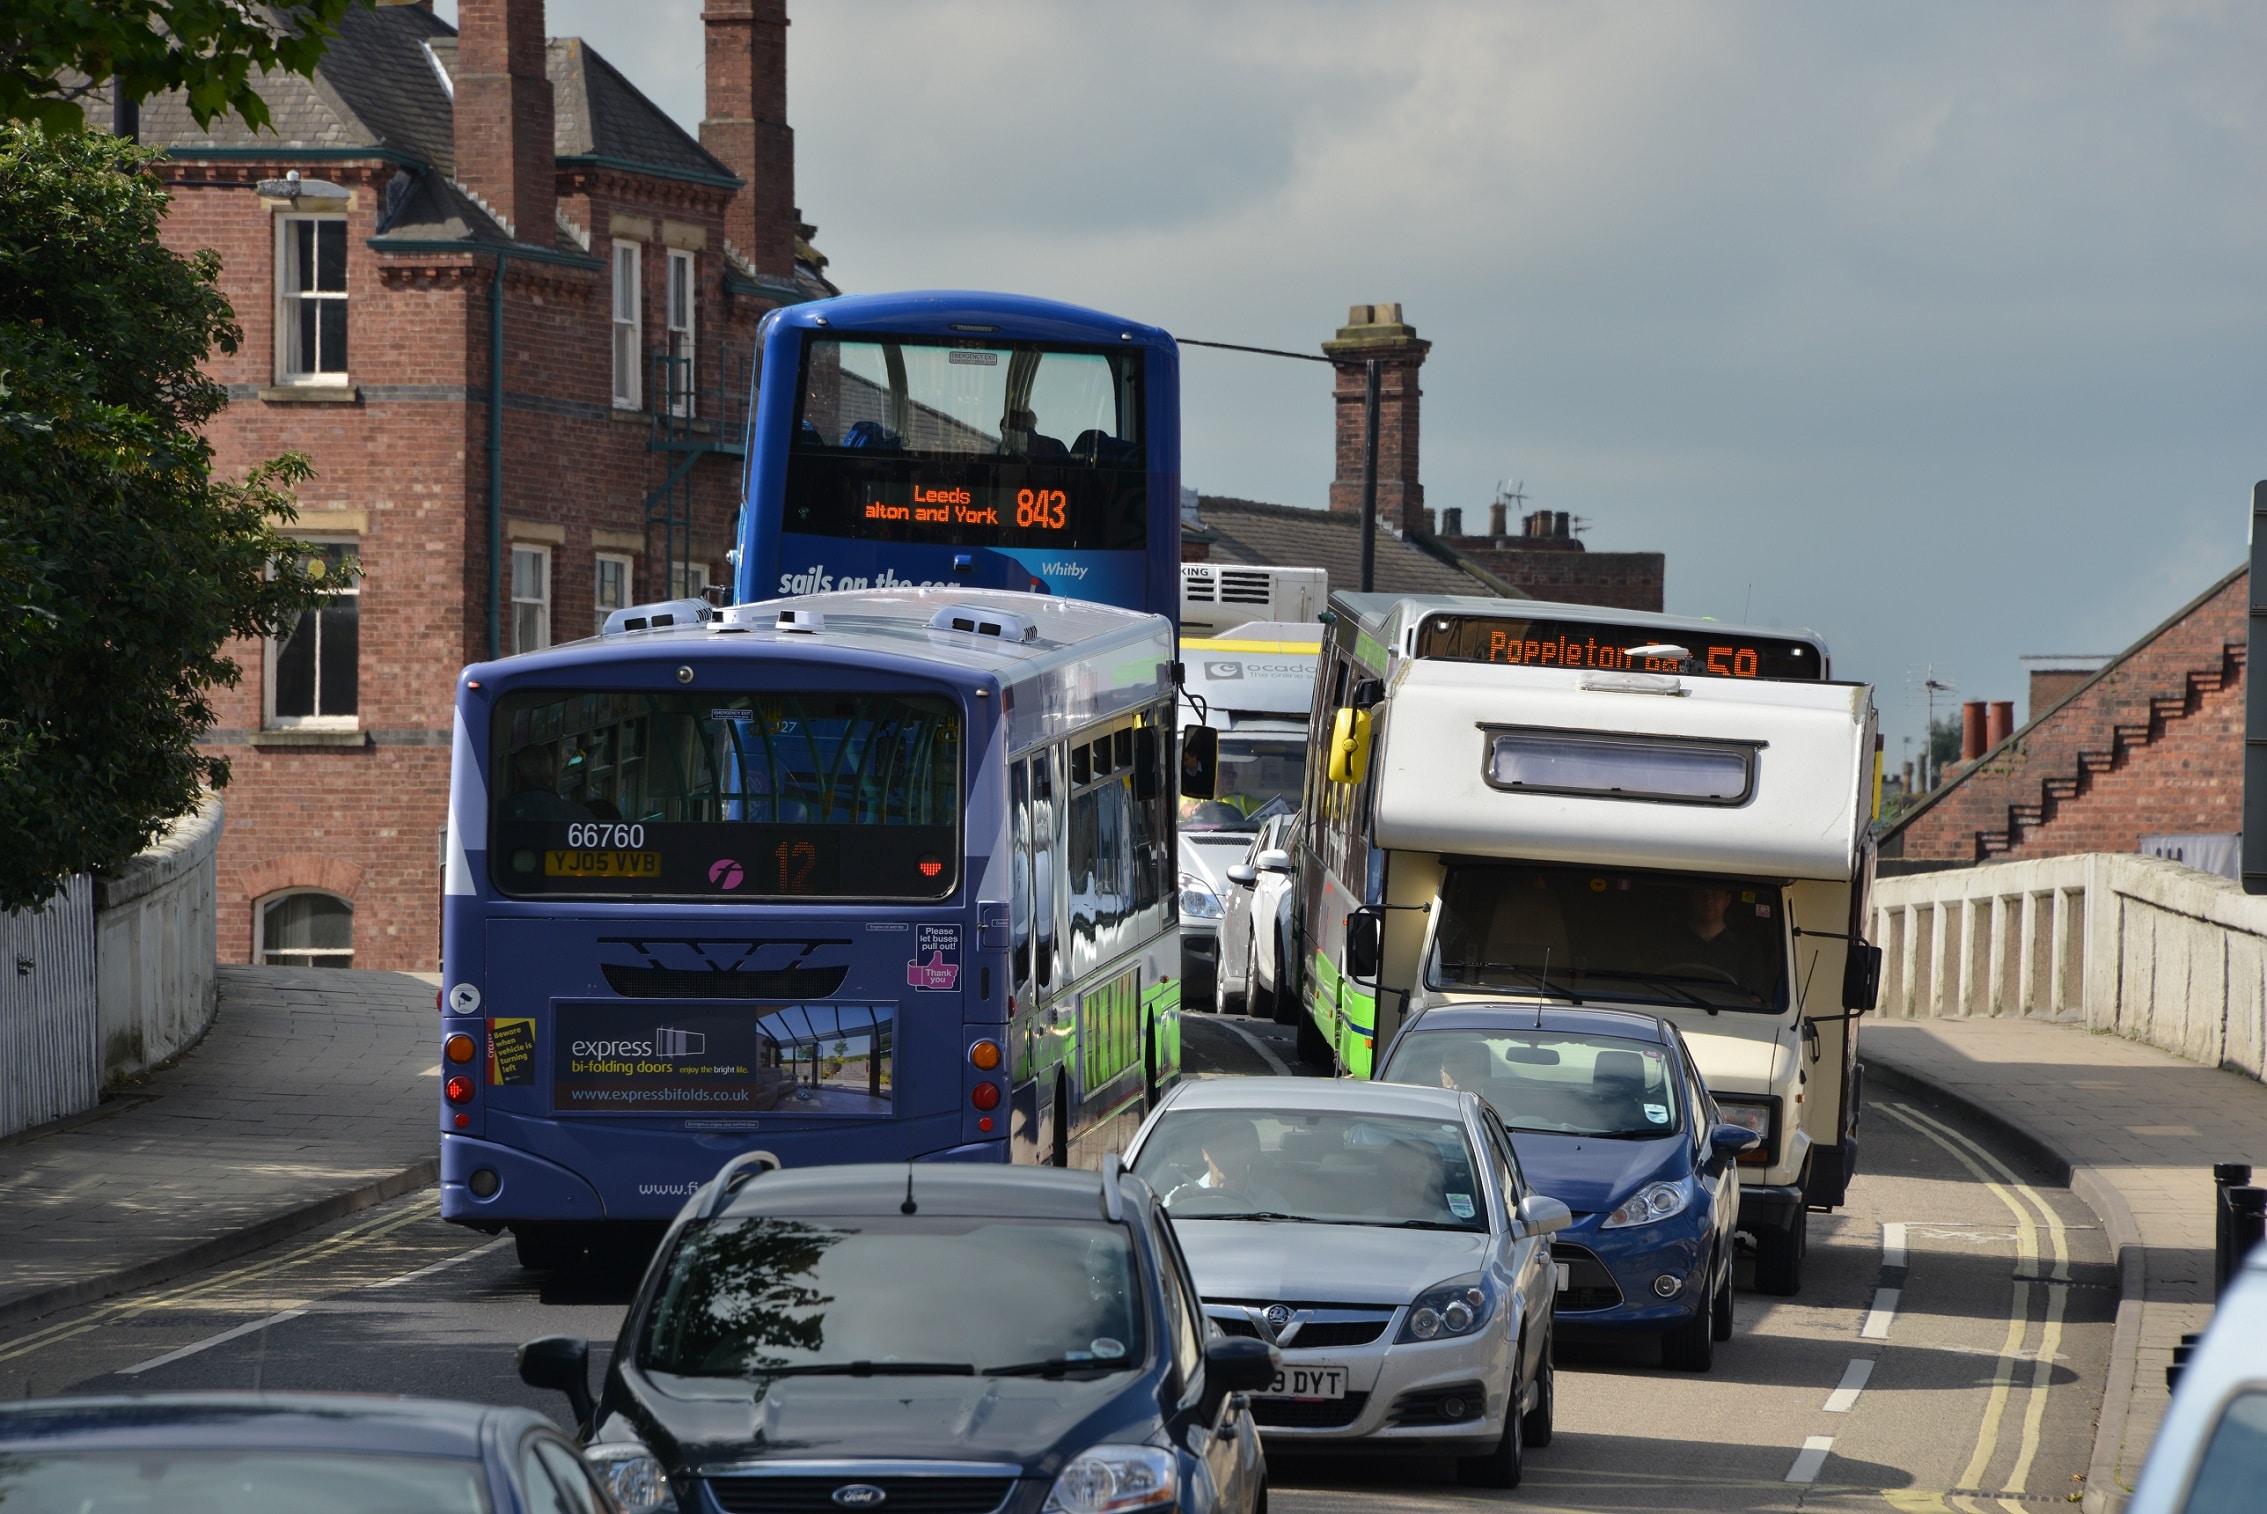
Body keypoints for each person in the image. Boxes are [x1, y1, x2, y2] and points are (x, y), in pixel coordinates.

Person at [1656, 885, 1770, 993]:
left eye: (1715, 894)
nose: (1709, 901)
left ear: (1727, 900)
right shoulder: (1669, 940)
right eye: (1702, 894)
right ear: (1692, 896)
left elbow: (1754, 997)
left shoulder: (1747, 946)